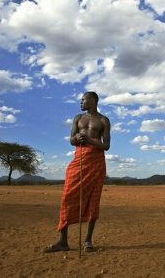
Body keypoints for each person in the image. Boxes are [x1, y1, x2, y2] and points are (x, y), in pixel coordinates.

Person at [45, 92, 111, 253]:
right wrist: (78, 139)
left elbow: (107, 145)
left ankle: (88, 241)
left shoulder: (103, 120)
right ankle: (63, 241)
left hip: (96, 163)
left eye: (83, 99)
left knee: (92, 201)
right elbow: (71, 140)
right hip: (79, 161)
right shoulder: (78, 118)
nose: (81, 102)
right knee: (68, 197)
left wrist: (89, 141)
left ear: (93, 101)